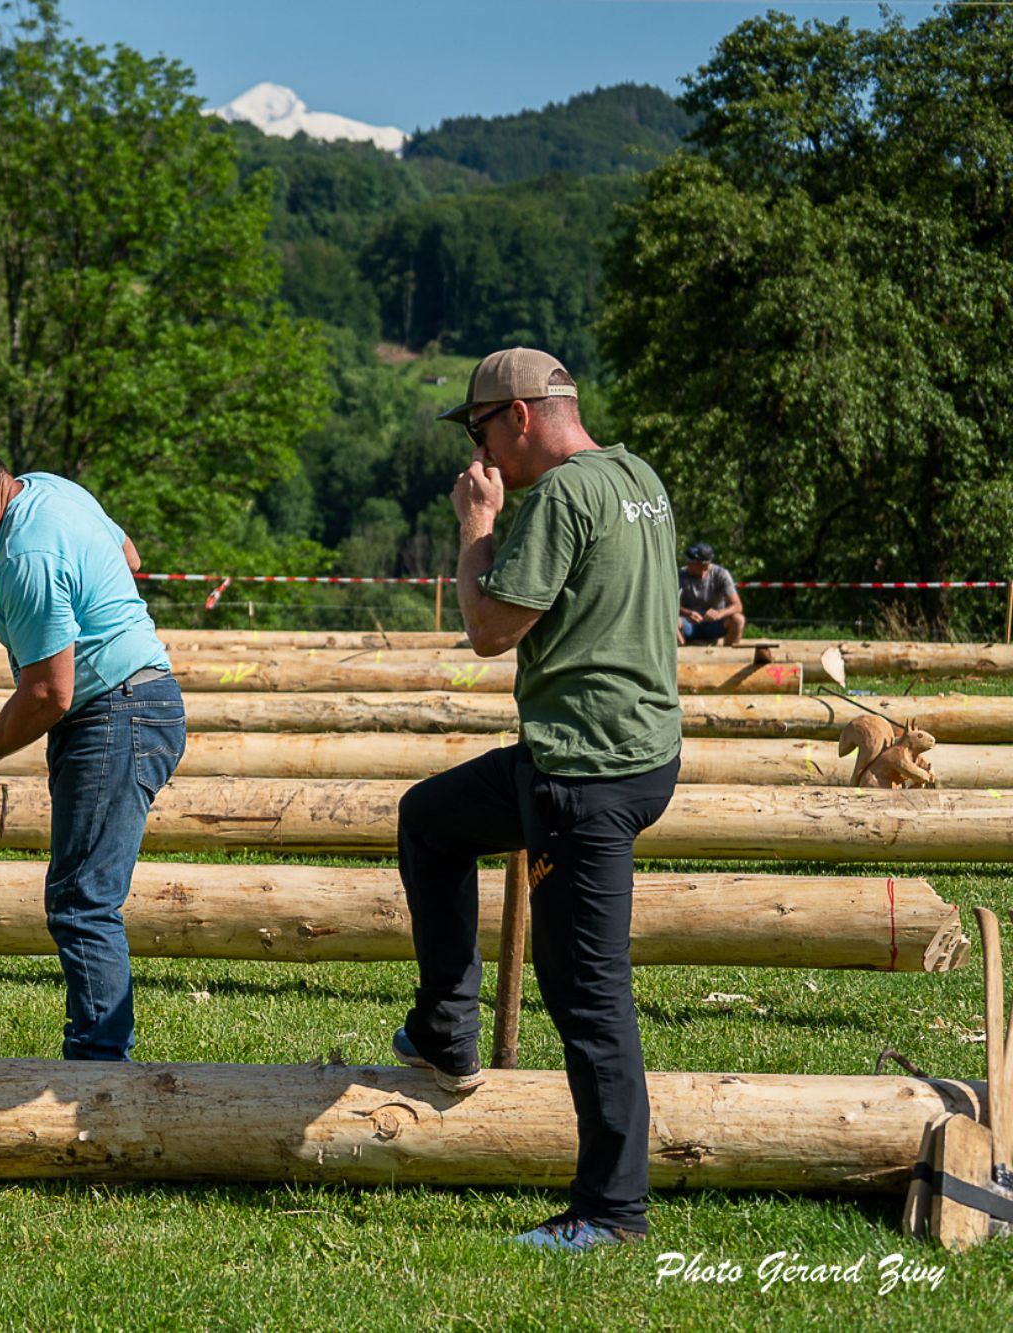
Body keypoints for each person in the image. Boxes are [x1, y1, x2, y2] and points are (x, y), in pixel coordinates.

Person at [395, 348, 681, 1251]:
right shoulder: (637, 478)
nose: (478, 452)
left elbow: (488, 628)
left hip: (585, 774)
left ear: (518, 415)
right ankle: (445, 1027)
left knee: (587, 993)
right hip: (624, 750)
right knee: (431, 819)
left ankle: (612, 1209)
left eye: (480, 430)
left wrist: (478, 524)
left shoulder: (560, 496)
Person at [0, 428, 185, 1062]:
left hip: (114, 714)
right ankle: (98, 1061)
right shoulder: (52, 492)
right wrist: (7, 604)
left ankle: (97, 1073)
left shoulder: (27, 553)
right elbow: (127, 558)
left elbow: (48, 694)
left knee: (84, 902)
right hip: (140, 701)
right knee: (83, 896)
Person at [677, 542, 744, 646]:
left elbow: (737, 606)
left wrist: (719, 614)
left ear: (705, 565)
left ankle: (728, 653)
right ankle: (681, 649)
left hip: (713, 625)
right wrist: (687, 613)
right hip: (688, 624)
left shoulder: (720, 574)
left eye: (692, 562)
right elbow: (668, 606)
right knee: (670, 620)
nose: (688, 564)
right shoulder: (680, 575)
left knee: (738, 620)